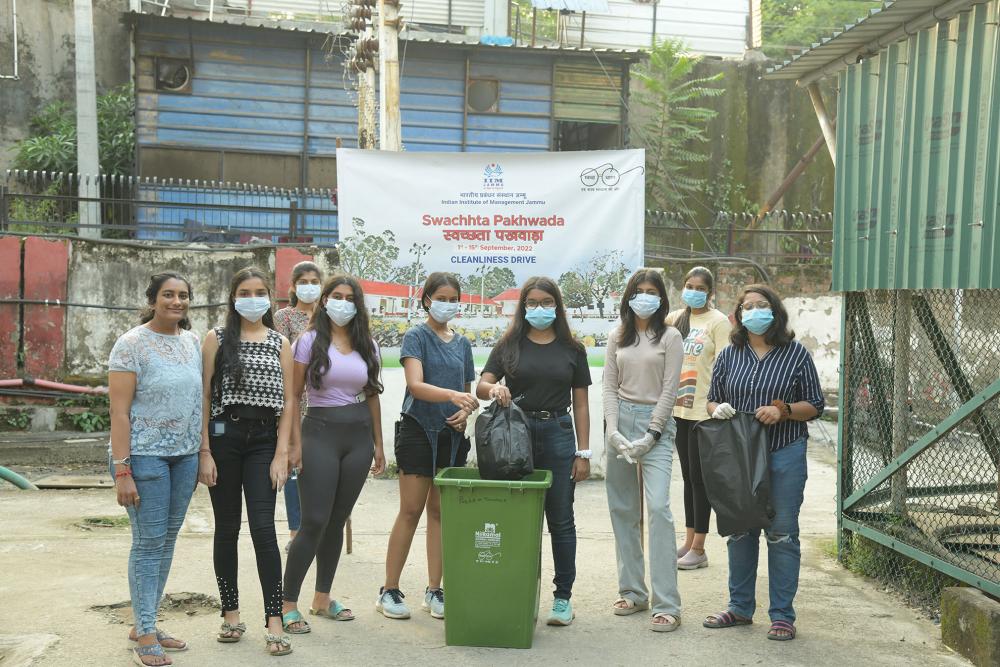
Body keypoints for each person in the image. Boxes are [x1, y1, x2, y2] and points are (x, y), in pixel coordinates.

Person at [703, 284, 824, 642]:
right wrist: (717, 409)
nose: (755, 311)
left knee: (782, 532)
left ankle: (782, 615)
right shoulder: (729, 355)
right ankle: (740, 607)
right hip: (739, 455)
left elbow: (815, 405)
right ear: (739, 315)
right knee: (741, 529)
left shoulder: (796, 354)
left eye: (762, 305)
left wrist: (783, 410)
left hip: (784, 451)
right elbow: (712, 399)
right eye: (748, 306)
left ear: (774, 311)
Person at [477, 276, 591, 627]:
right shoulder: (509, 344)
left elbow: (581, 404)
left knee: (561, 519)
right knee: (515, 518)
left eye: (546, 302)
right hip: (516, 435)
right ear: (523, 306)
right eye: (532, 303)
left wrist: (584, 453)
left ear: (557, 305)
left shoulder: (573, 348)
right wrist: (494, 389)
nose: (539, 308)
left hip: (558, 434)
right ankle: (513, 591)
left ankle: (562, 598)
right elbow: (482, 384)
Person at [198, 266, 295, 657]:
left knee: (263, 529)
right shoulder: (217, 338)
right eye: (245, 292)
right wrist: (204, 450)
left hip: (264, 443)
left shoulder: (279, 342)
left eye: (259, 292)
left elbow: (289, 401)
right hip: (224, 438)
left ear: (269, 298)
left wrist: (282, 453)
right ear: (233, 298)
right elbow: (205, 396)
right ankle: (231, 614)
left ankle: (274, 619)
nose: (252, 299)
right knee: (226, 529)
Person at [281, 275, 386, 633]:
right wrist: (293, 444)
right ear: (325, 301)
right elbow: (294, 395)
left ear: (358, 304)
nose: (343, 302)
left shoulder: (367, 344)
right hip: (319, 435)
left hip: (358, 439)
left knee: (337, 520)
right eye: (336, 296)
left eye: (349, 297)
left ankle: (322, 598)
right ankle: (287, 604)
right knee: (313, 521)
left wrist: (379, 444)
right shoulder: (308, 341)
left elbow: (372, 395)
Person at [108, 272, 202, 667]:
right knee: (148, 544)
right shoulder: (131, 344)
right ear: (152, 300)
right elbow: (119, 412)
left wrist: (202, 452)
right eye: (168, 294)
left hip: (185, 456)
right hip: (144, 457)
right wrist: (122, 471)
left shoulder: (192, 342)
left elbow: (199, 401)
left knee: (166, 542)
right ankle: (145, 633)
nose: (176, 301)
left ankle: (145, 621)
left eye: (183, 295)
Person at [377, 272, 479, 621]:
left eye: (453, 299)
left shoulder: (463, 344)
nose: (447, 304)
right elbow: (416, 385)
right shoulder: (416, 336)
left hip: (451, 436)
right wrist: (453, 396)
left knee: (439, 512)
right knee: (411, 510)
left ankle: (435, 590)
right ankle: (389, 590)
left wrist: (464, 412)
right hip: (418, 430)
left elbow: (468, 392)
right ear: (426, 300)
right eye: (441, 298)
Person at [602, 269, 684, 632]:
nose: (645, 297)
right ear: (628, 296)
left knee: (659, 509)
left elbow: (670, 389)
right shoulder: (617, 335)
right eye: (639, 290)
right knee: (623, 508)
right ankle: (633, 592)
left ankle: (667, 604)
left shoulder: (671, 336)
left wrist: (652, 433)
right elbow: (609, 386)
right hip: (621, 421)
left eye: (652, 291)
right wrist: (613, 431)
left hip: (657, 426)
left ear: (661, 298)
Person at [666, 267, 732, 570]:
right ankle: (689, 539)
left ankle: (700, 547)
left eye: (700, 288)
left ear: (710, 292)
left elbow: (726, 365)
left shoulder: (718, 322)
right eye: (689, 286)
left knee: (700, 479)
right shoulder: (675, 319)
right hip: (678, 410)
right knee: (688, 479)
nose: (694, 292)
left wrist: (718, 405)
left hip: (704, 412)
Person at [273, 261, 324, 553]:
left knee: (321, 469)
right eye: (303, 281)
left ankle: (319, 528)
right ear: (293, 286)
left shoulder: (329, 317)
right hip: (295, 401)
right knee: (295, 466)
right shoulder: (284, 317)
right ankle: (296, 532)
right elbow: (281, 358)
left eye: (314, 281)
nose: (309, 286)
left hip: (325, 403)